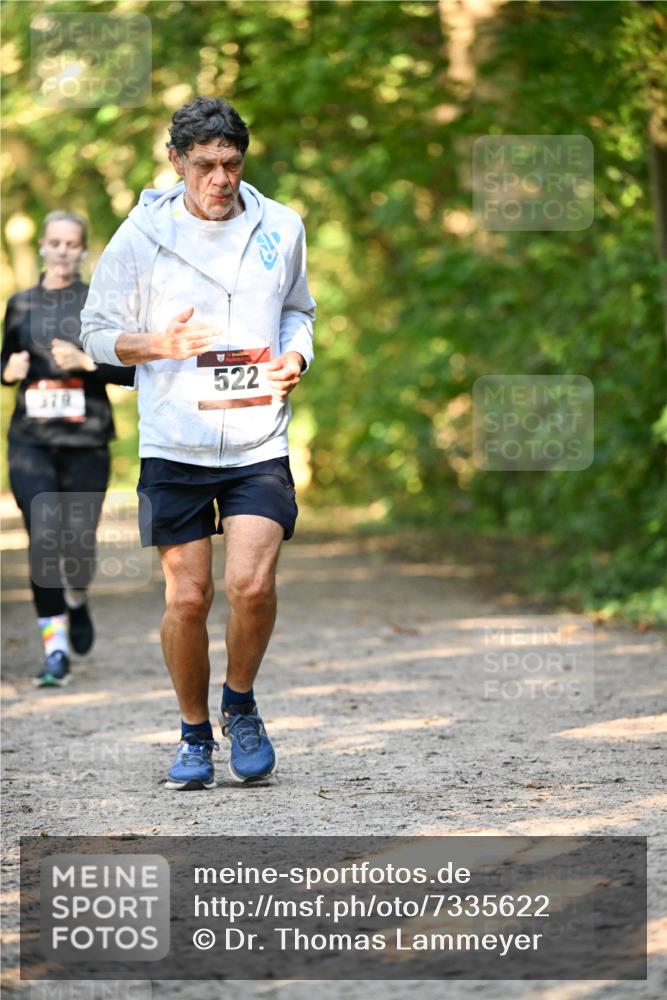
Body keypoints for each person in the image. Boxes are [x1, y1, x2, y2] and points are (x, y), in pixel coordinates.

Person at [80, 96, 315, 790]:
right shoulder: (140, 237)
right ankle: (192, 733)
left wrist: (295, 359)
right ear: (177, 161)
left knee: (252, 586)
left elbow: (298, 310)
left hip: (255, 440)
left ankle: (239, 706)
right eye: (206, 165)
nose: (221, 178)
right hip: (175, 441)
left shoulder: (281, 228)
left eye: (232, 164)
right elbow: (95, 332)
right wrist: (155, 344)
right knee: (188, 599)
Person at [1, 211, 135, 686]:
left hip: (86, 441)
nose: (61, 250)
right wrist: (8, 370)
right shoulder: (19, 304)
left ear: (82, 250)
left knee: (77, 544)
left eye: (71, 243)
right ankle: (54, 650)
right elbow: (4, 361)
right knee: (43, 539)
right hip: (30, 443)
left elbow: (132, 370)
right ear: (42, 246)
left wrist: (88, 362)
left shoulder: (100, 305)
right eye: (54, 242)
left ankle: (77, 596)